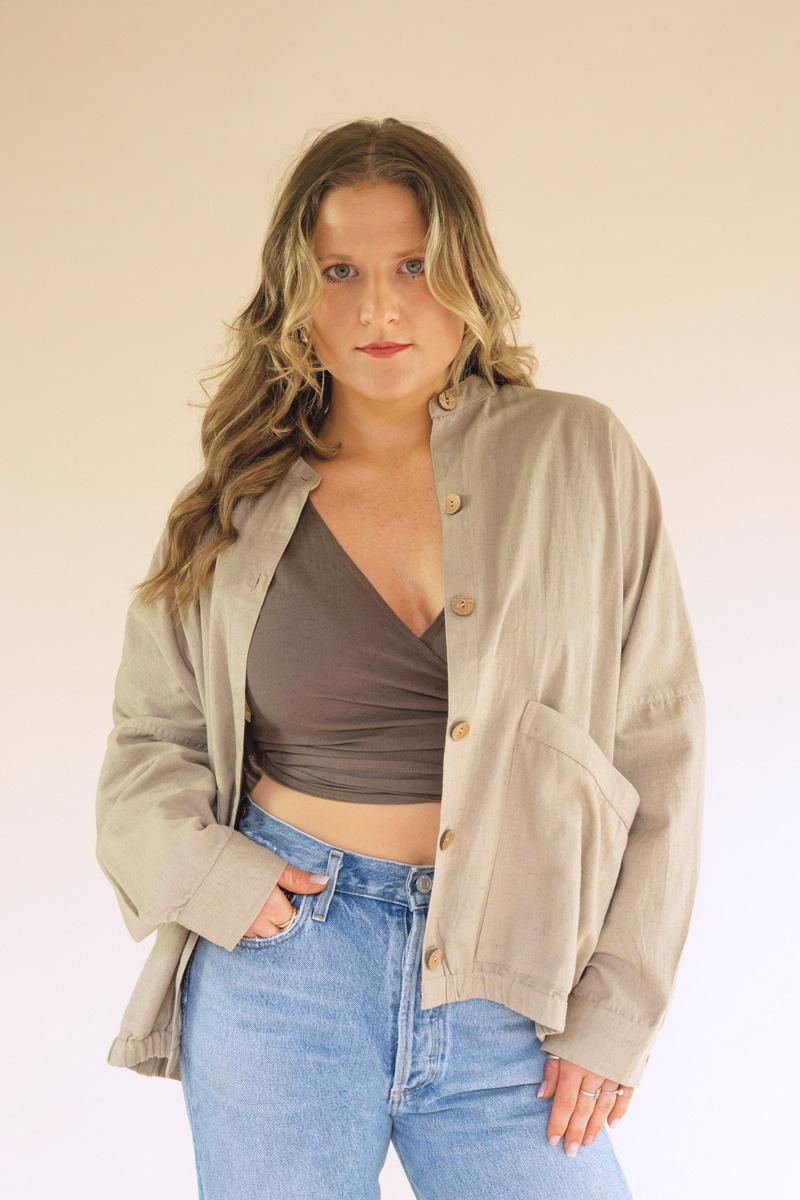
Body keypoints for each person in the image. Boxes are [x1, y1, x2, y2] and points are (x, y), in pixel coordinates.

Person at [95, 117, 705, 1199]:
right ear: (295, 295)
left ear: (467, 275)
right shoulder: (235, 502)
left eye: (413, 267)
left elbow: (660, 747)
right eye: (340, 271)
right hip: (283, 973)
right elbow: (150, 742)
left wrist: (617, 1012)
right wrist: (216, 881)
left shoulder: (579, 455)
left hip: (514, 988)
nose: (378, 308)